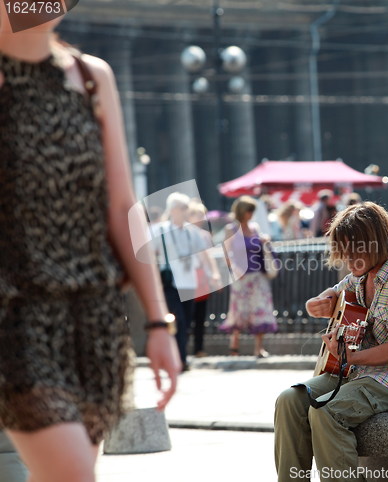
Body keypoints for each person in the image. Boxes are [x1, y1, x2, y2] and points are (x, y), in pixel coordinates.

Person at [0, 8, 181, 482]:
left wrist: (158, 323)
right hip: (17, 316)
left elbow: (124, 207)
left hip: (94, 320)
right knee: (73, 474)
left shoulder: (92, 77)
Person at [274, 202, 388, 482]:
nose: (347, 258)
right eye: (343, 251)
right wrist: (317, 304)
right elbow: (336, 292)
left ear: (374, 243)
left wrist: (350, 358)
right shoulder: (362, 274)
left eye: (354, 250)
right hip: (362, 373)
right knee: (289, 400)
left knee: (327, 412)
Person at [153, 192, 208, 371]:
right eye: (184, 208)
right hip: (170, 283)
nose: (187, 211)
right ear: (174, 209)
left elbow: (203, 254)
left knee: (186, 323)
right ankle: (180, 360)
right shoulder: (158, 230)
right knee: (179, 321)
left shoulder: (193, 232)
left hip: (189, 283)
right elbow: (148, 255)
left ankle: (179, 357)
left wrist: (212, 273)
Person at [219, 196, 278, 357]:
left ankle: (258, 348)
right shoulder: (230, 229)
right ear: (242, 211)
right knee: (239, 310)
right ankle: (234, 346)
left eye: (253, 211)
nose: (251, 214)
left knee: (260, 310)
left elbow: (261, 248)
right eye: (249, 210)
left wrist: (264, 240)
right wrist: (235, 270)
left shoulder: (255, 227)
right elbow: (227, 253)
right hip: (240, 277)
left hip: (258, 275)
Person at [187, 201, 222, 358]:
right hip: (187, 278)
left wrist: (214, 278)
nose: (202, 218)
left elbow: (209, 259)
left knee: (200, 315)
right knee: (186, 315)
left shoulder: (205, 236)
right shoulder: (183, 233)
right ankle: (183, 348)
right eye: (198, 214)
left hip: (201, 278)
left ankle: (198, 348)